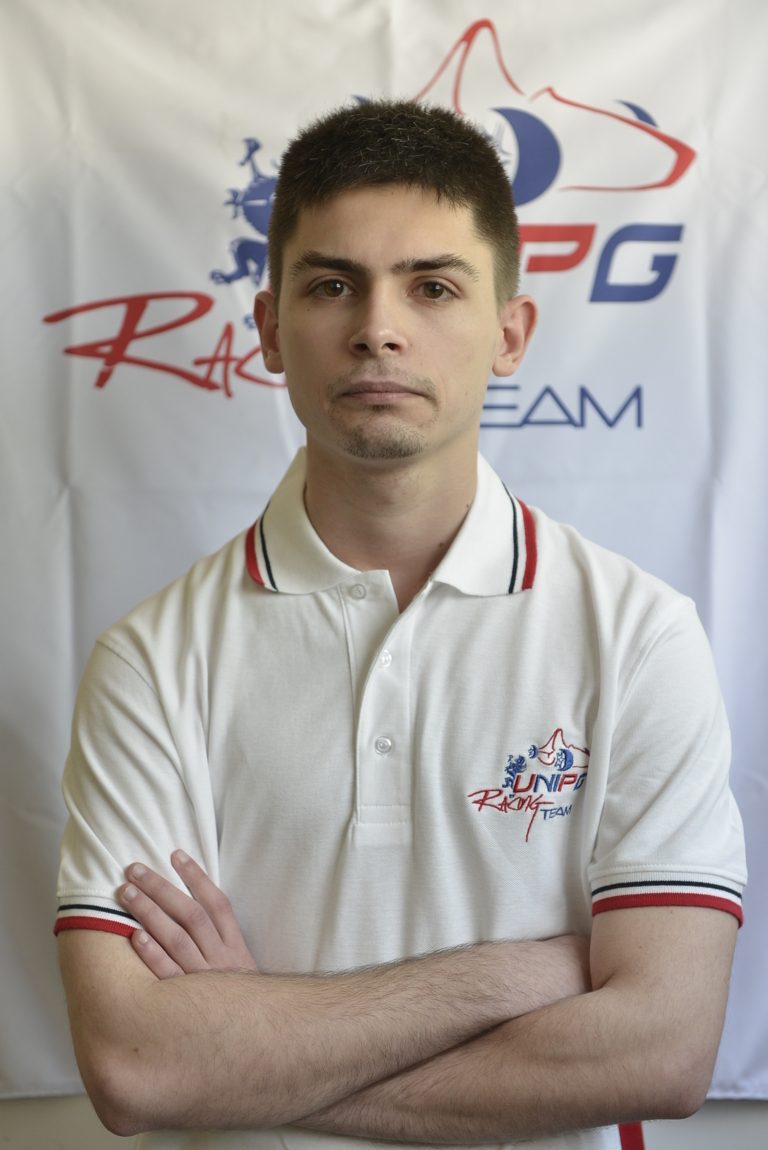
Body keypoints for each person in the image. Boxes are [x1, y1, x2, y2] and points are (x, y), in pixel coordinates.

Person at [55, 101, 746, 1150]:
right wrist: (508, 975)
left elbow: (663, 1051)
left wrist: (245, 1053)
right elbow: (138, 1067)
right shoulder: (151, 661)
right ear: (270, 331)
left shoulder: (639, 637)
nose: (378, 327)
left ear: (510, 333)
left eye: (433, 286)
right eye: (333, 285)